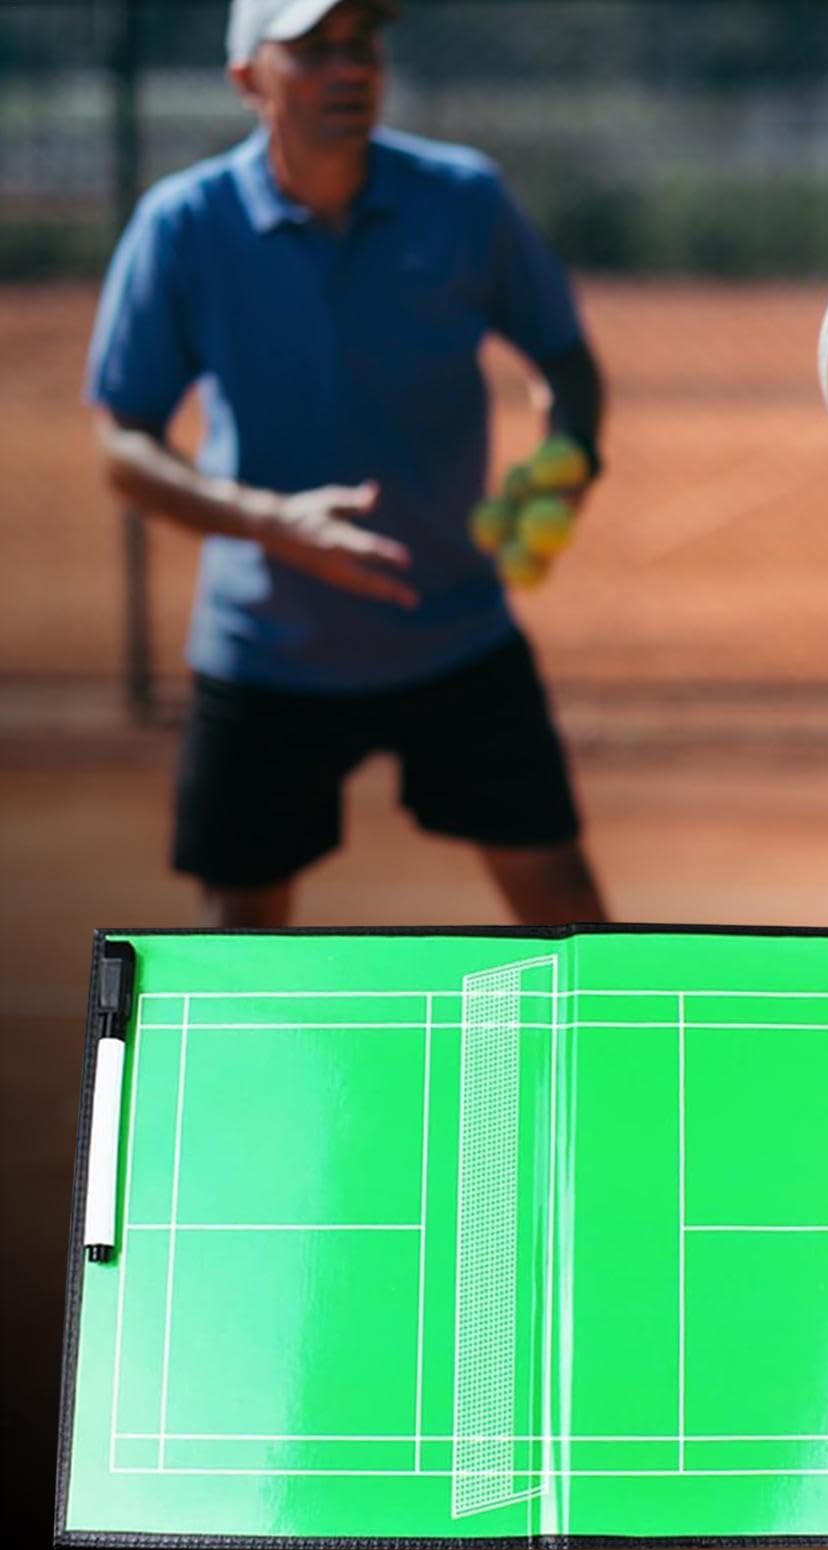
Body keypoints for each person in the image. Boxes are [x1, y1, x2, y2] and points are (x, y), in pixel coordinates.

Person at [86, 0, 607, 929]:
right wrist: (269, 523)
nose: (349, 69)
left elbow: (564, 360)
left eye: (361, 46)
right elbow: (123, 445)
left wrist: (570, 452)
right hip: (264, 648)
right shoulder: (182, 226)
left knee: (565, 911)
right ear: (248, 79)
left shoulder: (464, 199)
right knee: (242, 939)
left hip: (457, 633)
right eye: (314, 50)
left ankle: (607, 1078)